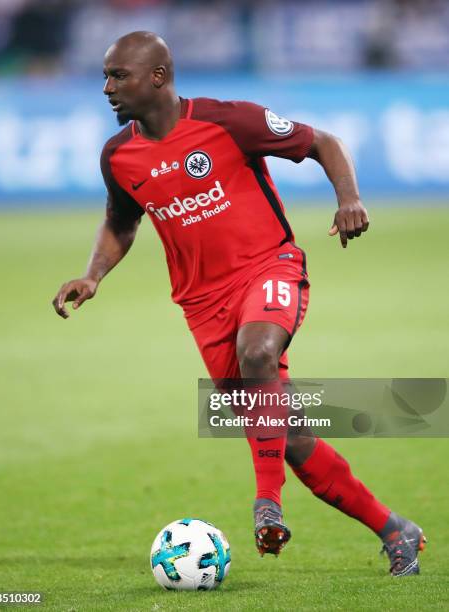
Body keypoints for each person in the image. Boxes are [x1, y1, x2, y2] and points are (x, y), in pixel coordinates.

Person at [52, 31, 426, 576]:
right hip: (202, 308)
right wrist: (93, 276)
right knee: (292, 438)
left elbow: (322, 141)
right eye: (105, 77)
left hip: (270, 267)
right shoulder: (119, 156)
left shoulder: (230, 121)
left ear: (157, 77)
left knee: (258, 353)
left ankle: (265, 501)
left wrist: (349, 197)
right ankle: (395, 529)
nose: (107, 88)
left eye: (118, 76)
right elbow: (120, 222)